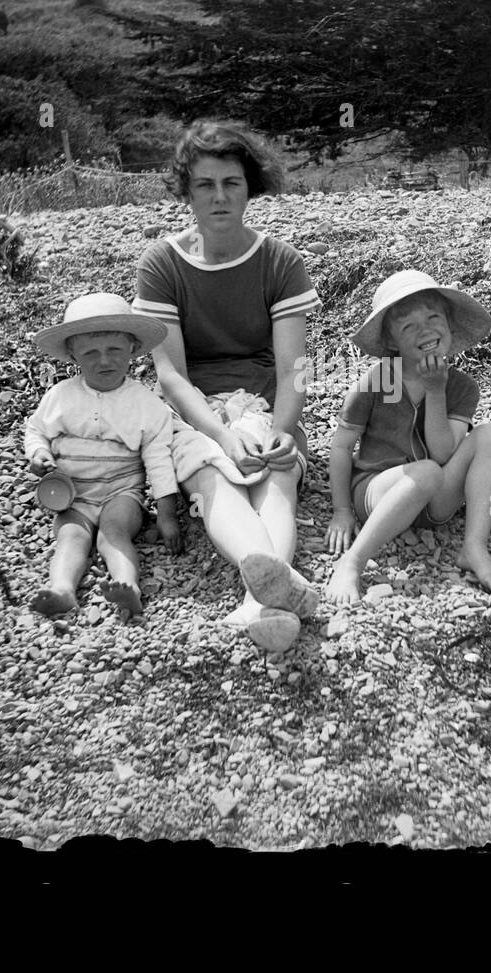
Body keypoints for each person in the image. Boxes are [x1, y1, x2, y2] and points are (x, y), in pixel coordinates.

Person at [133, 120, 322, 652]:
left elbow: (296, 370)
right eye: (205, 185)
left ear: (249, 186)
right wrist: (218, 432)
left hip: (263, 402)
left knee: (274, 473)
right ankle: (274, 595)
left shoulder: (280, 261)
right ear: (187, 191)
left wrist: (283, 430)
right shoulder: (162, 264)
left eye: (231, 183)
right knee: (213, 478)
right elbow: (170, 374)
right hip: (198, 411)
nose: (219, 197)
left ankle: (259, 602)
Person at [325, 270, 491, 605]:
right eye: (408, 326)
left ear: (450, 325)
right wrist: (341, 510)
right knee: (426, 472)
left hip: (435, 501)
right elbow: (340, 447)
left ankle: (474, 546)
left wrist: (436, 392)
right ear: (392, 342)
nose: (424, 329)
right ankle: (352, 562)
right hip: (378, 492)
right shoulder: (379, 379)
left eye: (433, 317)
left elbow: (442, 453)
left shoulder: (461, 387)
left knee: (489, 435)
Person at [25, 292, 183, 619]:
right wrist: (39, 453)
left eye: (114, 350)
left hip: (120, 492)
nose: (104, 361)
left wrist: (167, 514)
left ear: (132, 349)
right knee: (70, 536)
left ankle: (128, 585)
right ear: (73, 355)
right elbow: (36, 430)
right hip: (73, 494)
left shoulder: (144, 403)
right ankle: (62, 589)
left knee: (114, 533)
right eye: (91, 353)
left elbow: (158, 458)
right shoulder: (60, 396)